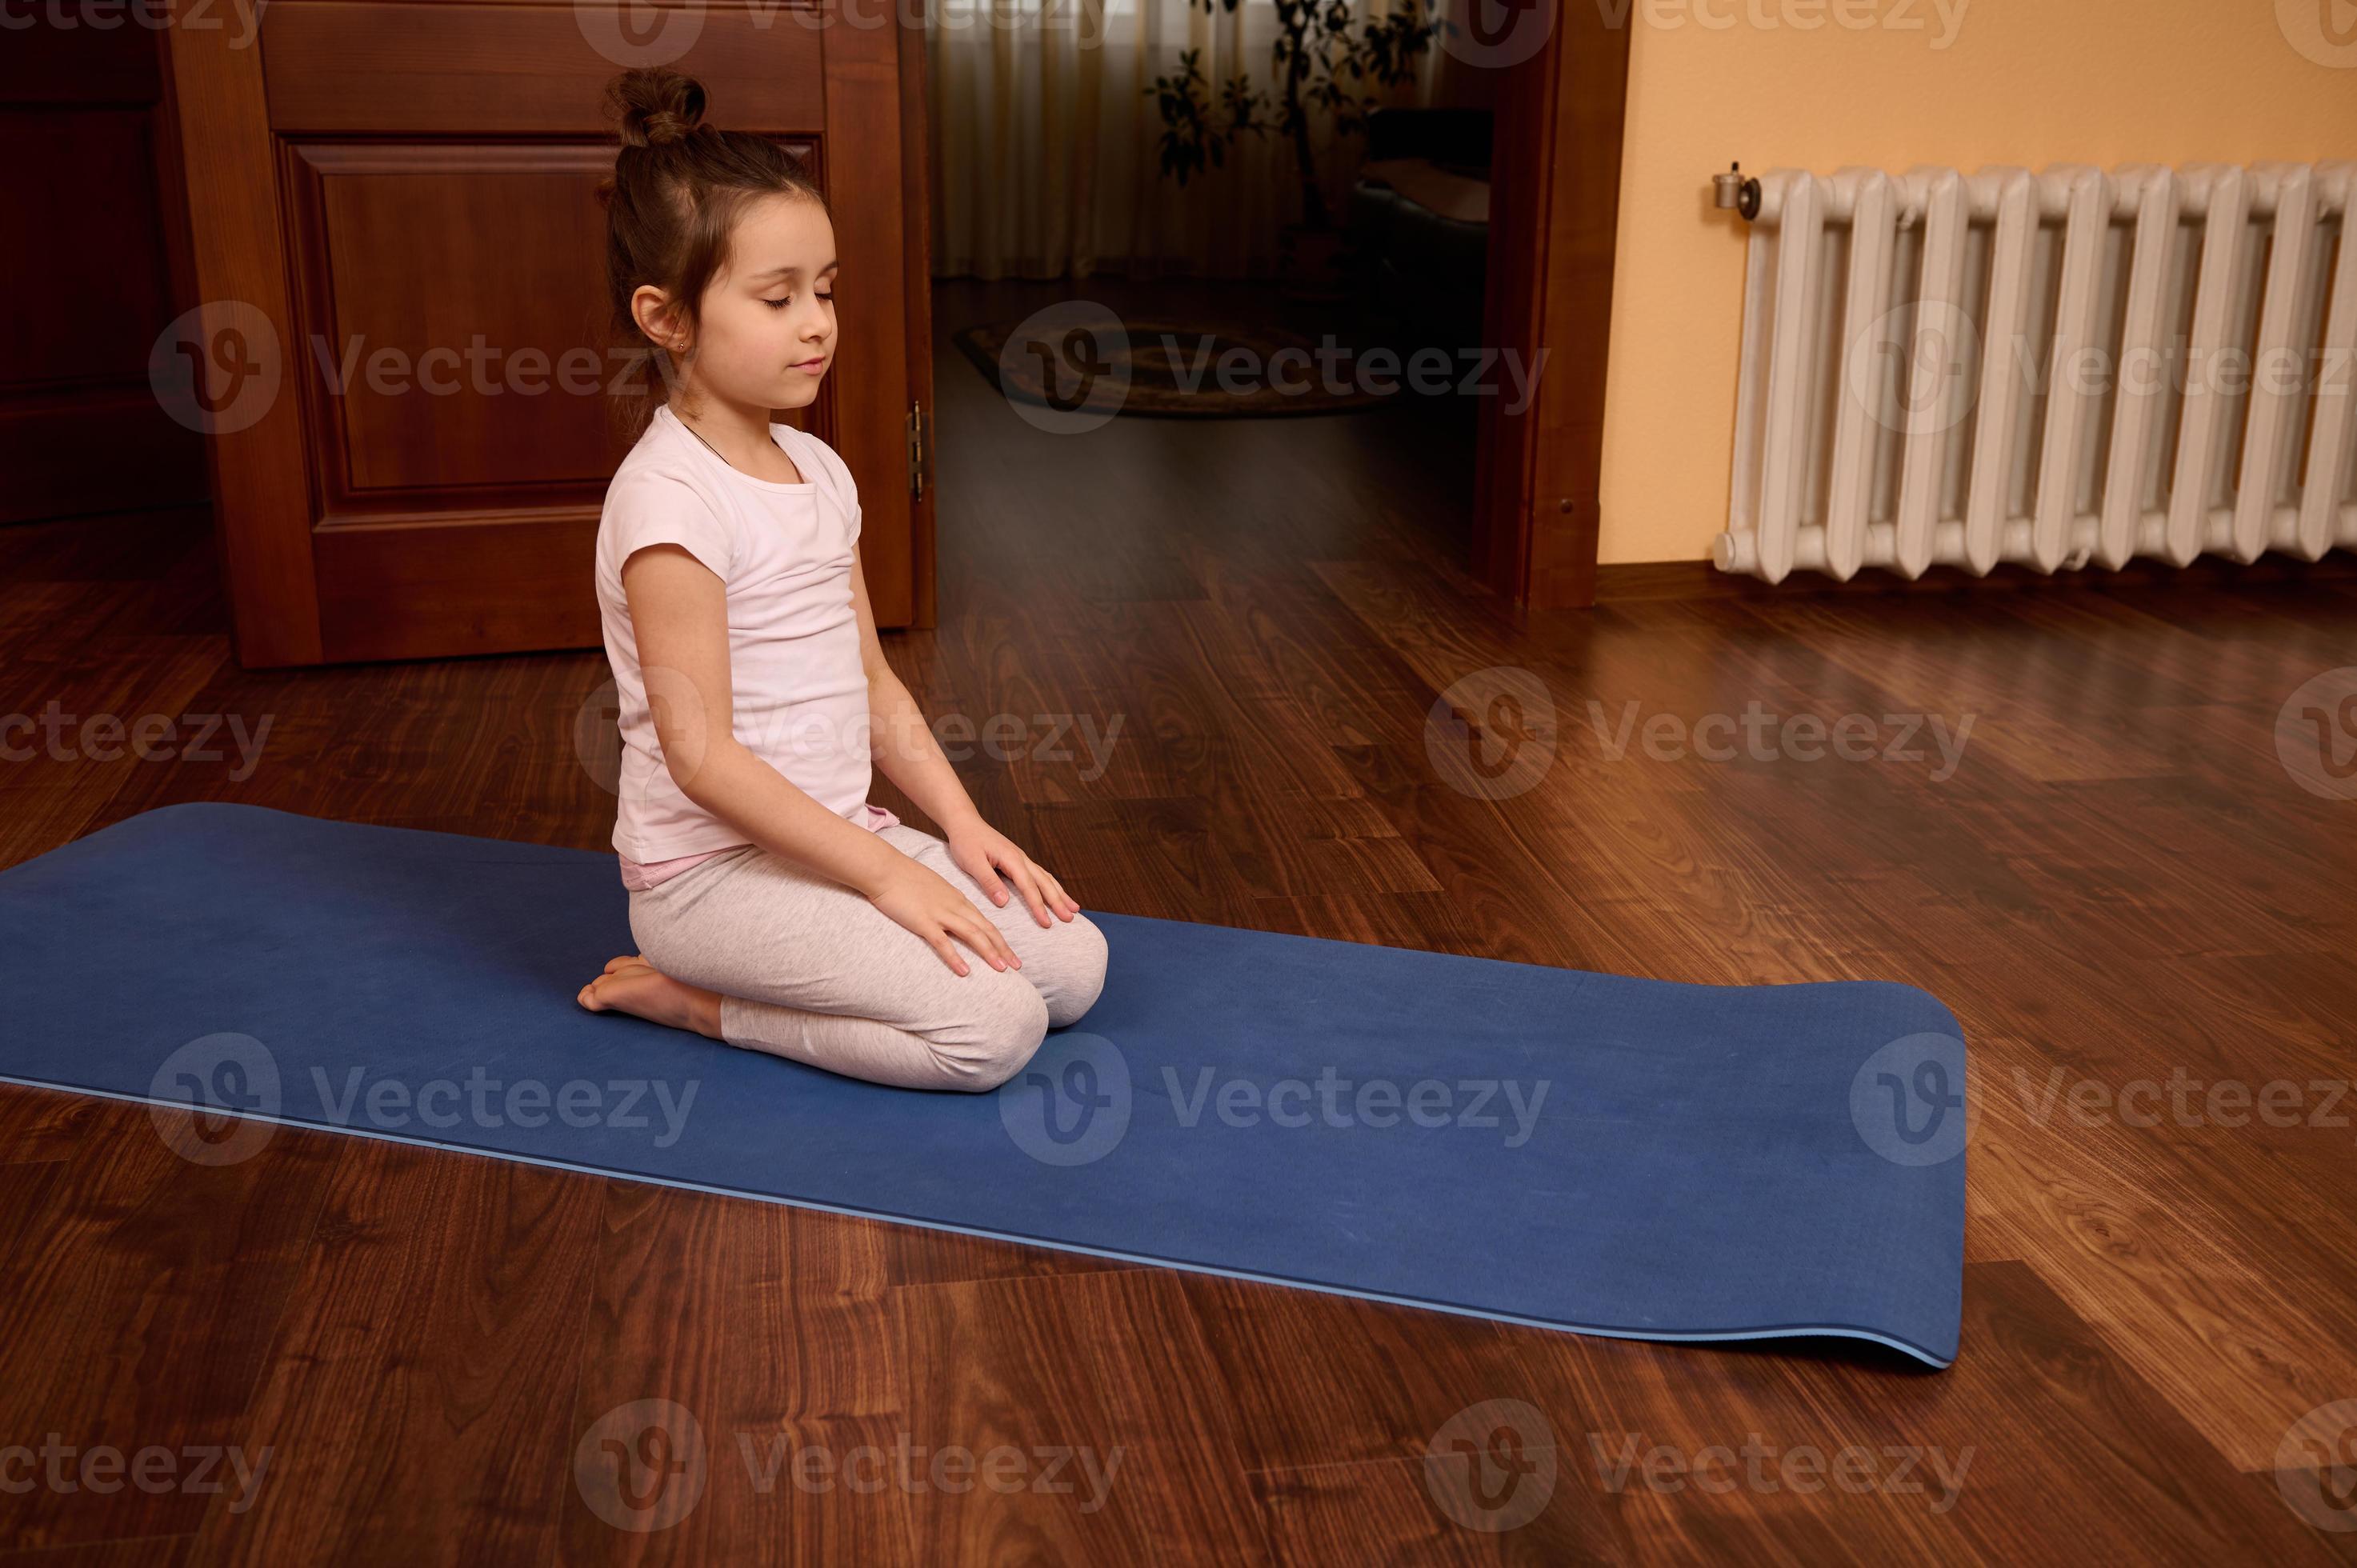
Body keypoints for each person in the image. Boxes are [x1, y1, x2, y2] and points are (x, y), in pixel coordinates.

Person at [575, 66, 1106, 1090]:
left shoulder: (819, 469)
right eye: (777, 298)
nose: (817, 321)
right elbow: (702, 760)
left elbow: (871, 683)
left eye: (825, 290)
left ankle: (874, 901)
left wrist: (958, 827)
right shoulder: (670, 505)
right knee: (991, 1032)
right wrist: (889, 878)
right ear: (666, 316)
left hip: (832, 839)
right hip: (709, 883)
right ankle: (701, 1003)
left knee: (1073, 971)